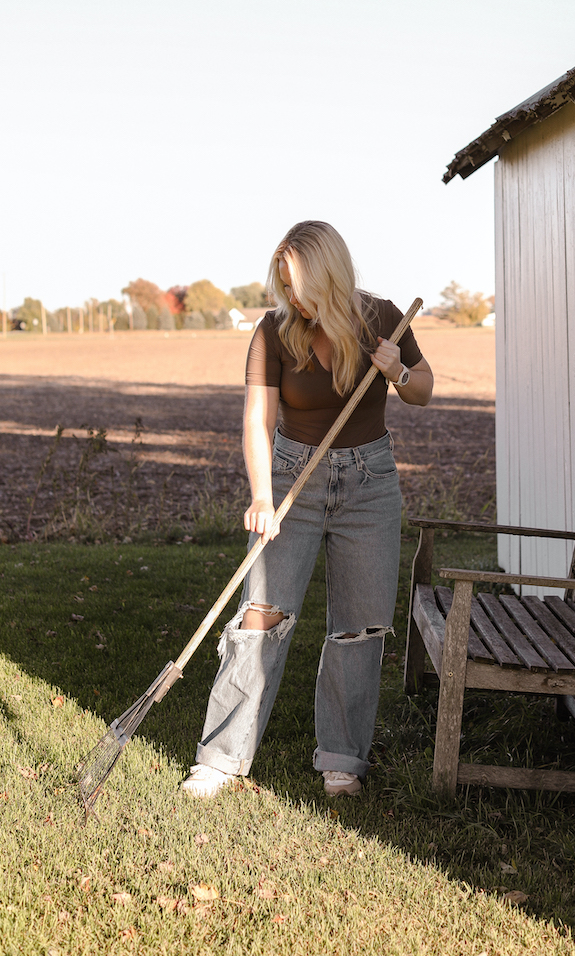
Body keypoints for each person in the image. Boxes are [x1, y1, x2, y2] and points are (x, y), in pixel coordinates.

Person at [182, 220, 433, 799]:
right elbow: (256, 421)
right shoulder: (273, 331)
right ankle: (221, 758)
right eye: (284, 286)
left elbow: (423, 390)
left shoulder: (382, 317)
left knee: (359, 626)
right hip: (292, 477)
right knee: (261, 614)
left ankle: (343, 759)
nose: (293, 298)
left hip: (369, 484)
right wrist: (262, 494)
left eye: (301, 286)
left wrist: (396, 368)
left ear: (330, 276)